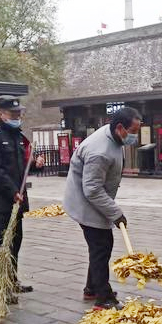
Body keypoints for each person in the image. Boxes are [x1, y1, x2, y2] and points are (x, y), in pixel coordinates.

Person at [63, 107, 142, 310]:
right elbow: (92, 190)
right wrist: (116, 213)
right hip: (85, 202)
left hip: (94, 198)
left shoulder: (113, 136)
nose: (135, 136)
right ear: (119, 128)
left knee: (100, 246)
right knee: (101, 246)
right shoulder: (100, 151)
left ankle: (92, 287)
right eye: (132, 131)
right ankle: (103, 297)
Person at [0, 95, 32, 294]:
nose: (17, 117)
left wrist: (35, 164)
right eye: (13, 113)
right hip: (0, 202)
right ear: (1, 114)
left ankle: (11, 279)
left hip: (17, 201)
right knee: (3, 243)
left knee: (16, 241)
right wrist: (12, 192)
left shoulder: (18, 136)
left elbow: (20, 167)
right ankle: (0, 285)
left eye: (19, 113)